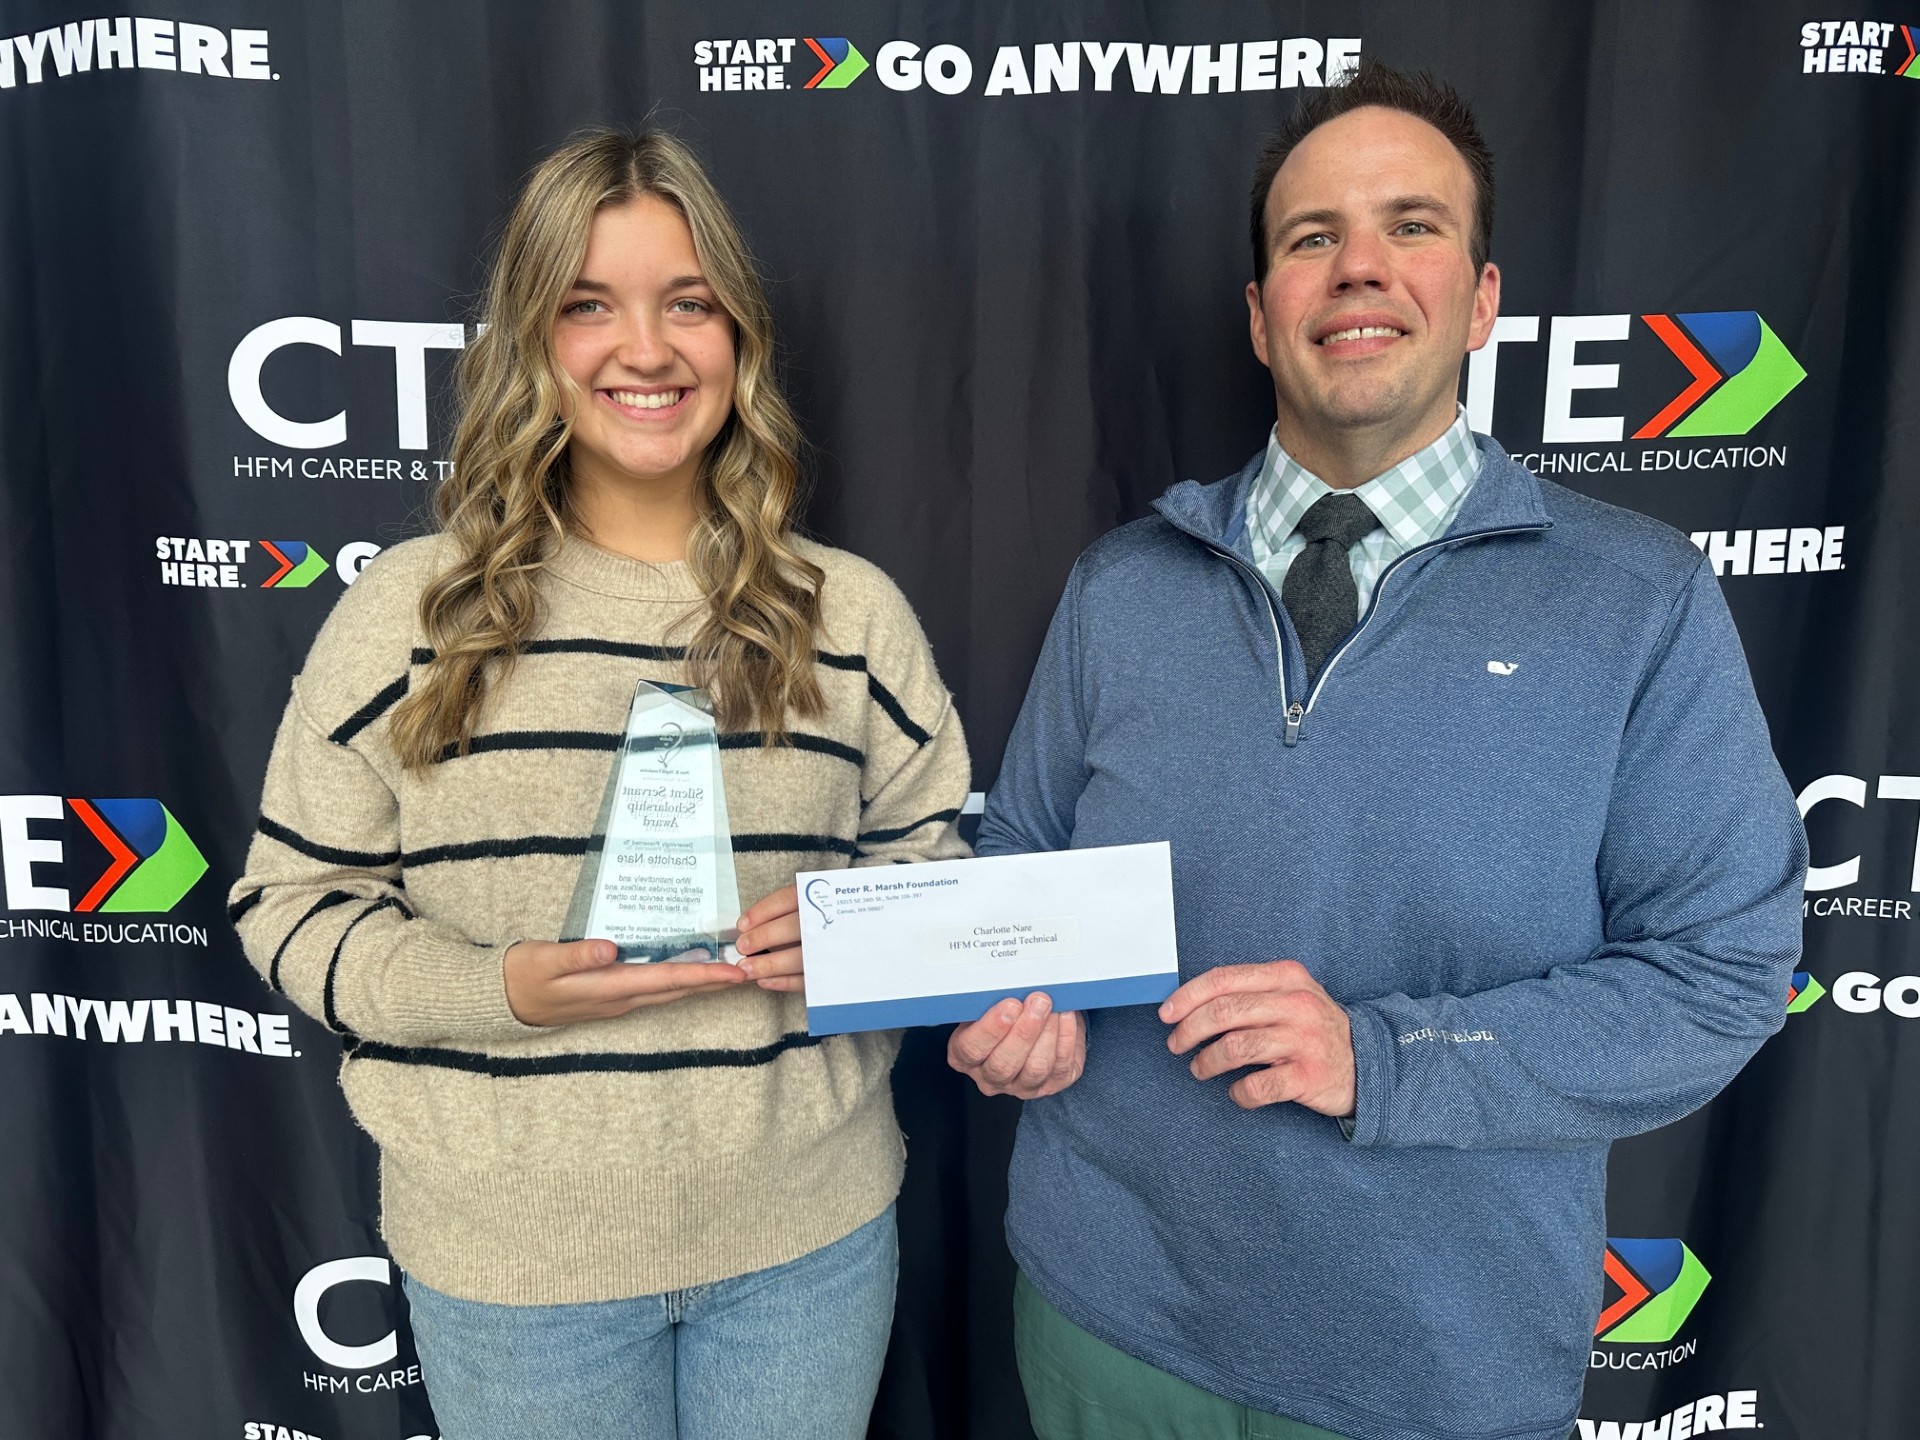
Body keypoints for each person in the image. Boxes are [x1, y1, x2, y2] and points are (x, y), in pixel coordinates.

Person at [948, 62, 1806, 1440]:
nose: (1358, 268)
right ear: (1259, 312)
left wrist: (1387, 1057)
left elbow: (1721, 978)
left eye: (1411, 226)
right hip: (1103, 1325)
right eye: (1311, 240)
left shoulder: (1634, 601)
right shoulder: (1124, 585)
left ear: (1480, 298)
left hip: (1427, 1375)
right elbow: (1018, 863)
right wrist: (1003, 1020)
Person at [229, 129, 969, 1439]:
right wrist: (495, 989)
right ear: (531, 340)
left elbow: (945, 860)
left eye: (689, 302)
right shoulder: (411, 613)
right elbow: (291, 908)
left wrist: (862, 937)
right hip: (515, 1274)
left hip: (805, 1247)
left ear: (739, 336)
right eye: (589, 305)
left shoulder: (846, 612)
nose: (646, 348)